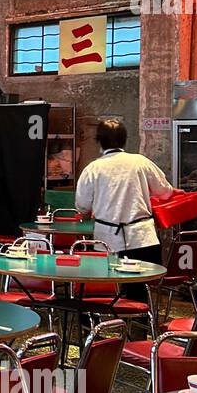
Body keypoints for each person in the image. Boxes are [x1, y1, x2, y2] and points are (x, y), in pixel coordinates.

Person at [74, 118, 175, 304]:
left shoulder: (93, 169)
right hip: (142, 237)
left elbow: (82, 206)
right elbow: (165, 191)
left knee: (107, 291)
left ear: (99, 141)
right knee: (141, 292)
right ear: (124, 140)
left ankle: (109, 326)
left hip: (107, 239)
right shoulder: (140, 162)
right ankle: (143, 327)